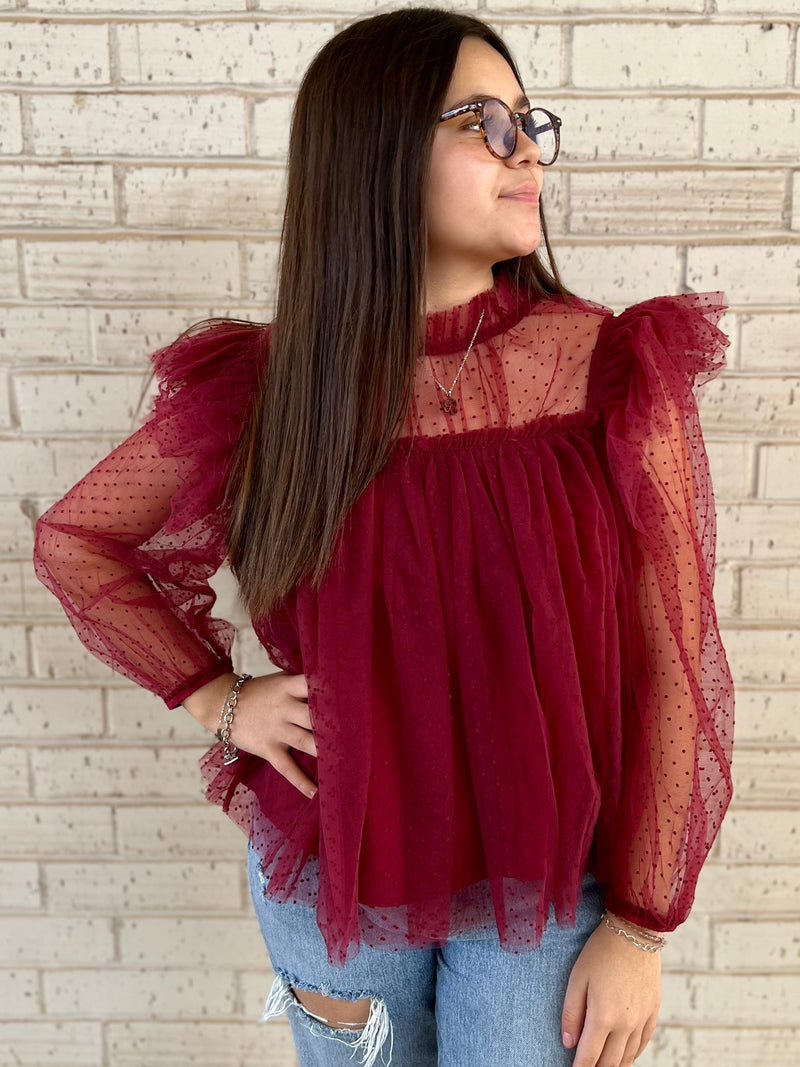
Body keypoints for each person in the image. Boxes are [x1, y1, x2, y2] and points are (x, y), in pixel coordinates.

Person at [33, 6, 735, 1067]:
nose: (525, 153)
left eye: (528, 122)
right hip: (335, 873)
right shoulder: (271, 389)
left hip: (545, 881)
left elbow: (675, 660)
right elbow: (78, 540)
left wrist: (640, 923)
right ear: (376, 149)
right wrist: (220, 698)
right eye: (484, 123)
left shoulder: (607, 371)